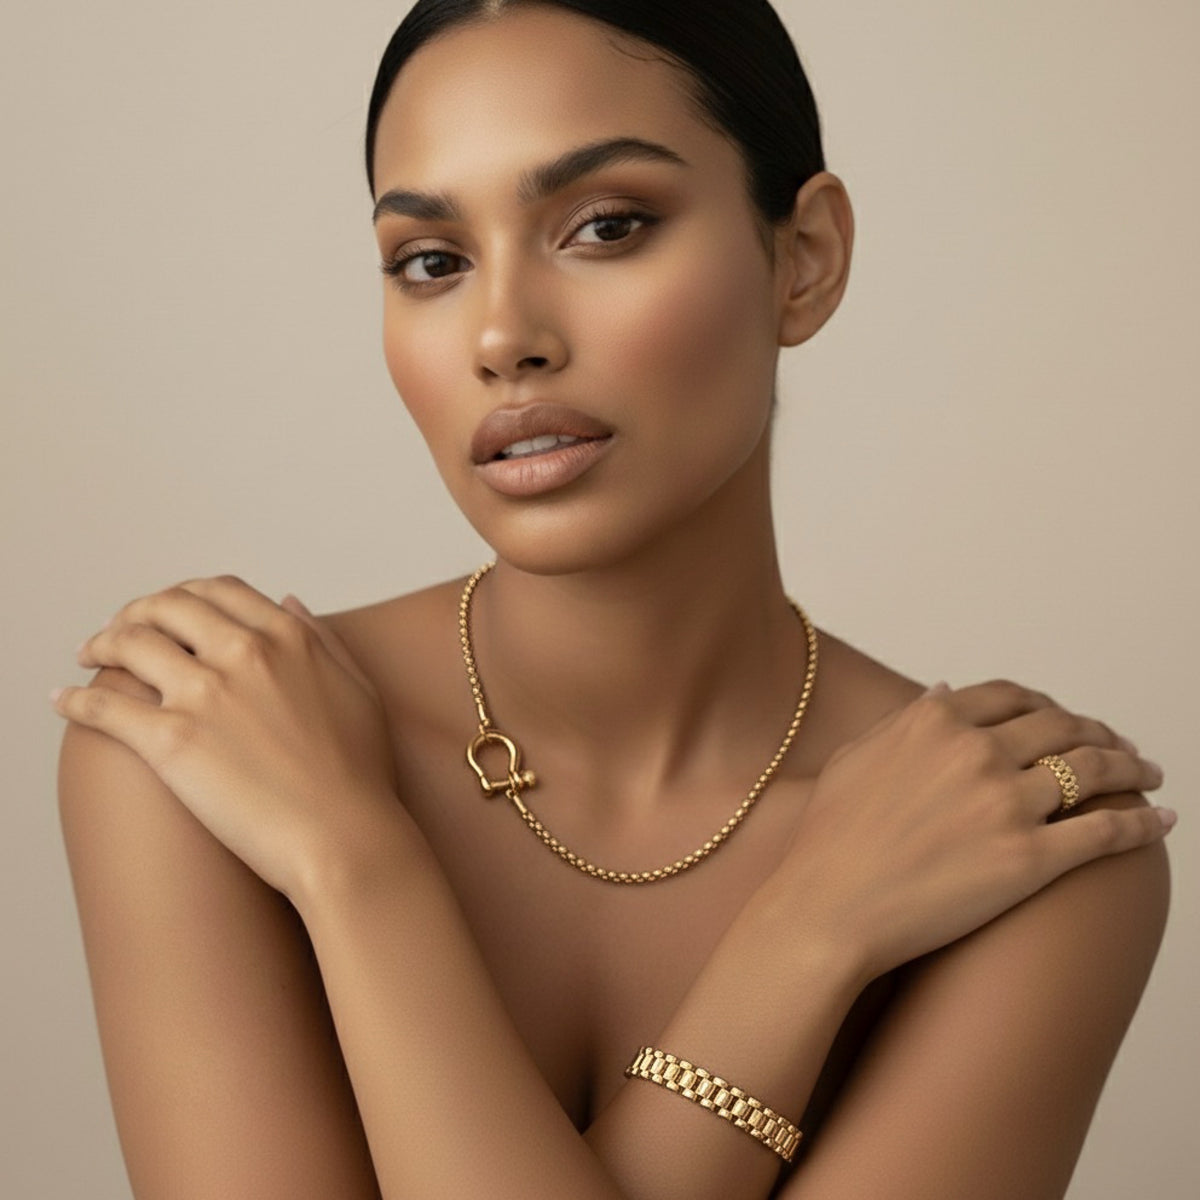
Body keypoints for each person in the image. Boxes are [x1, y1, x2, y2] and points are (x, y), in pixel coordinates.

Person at [54, 2, 1173, 1197]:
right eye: (432, 262)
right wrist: (358, 859)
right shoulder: (206, 750)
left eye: (605, 227)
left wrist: (352, 873)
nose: (503, 337)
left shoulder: (1022, 838)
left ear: (806, 258)